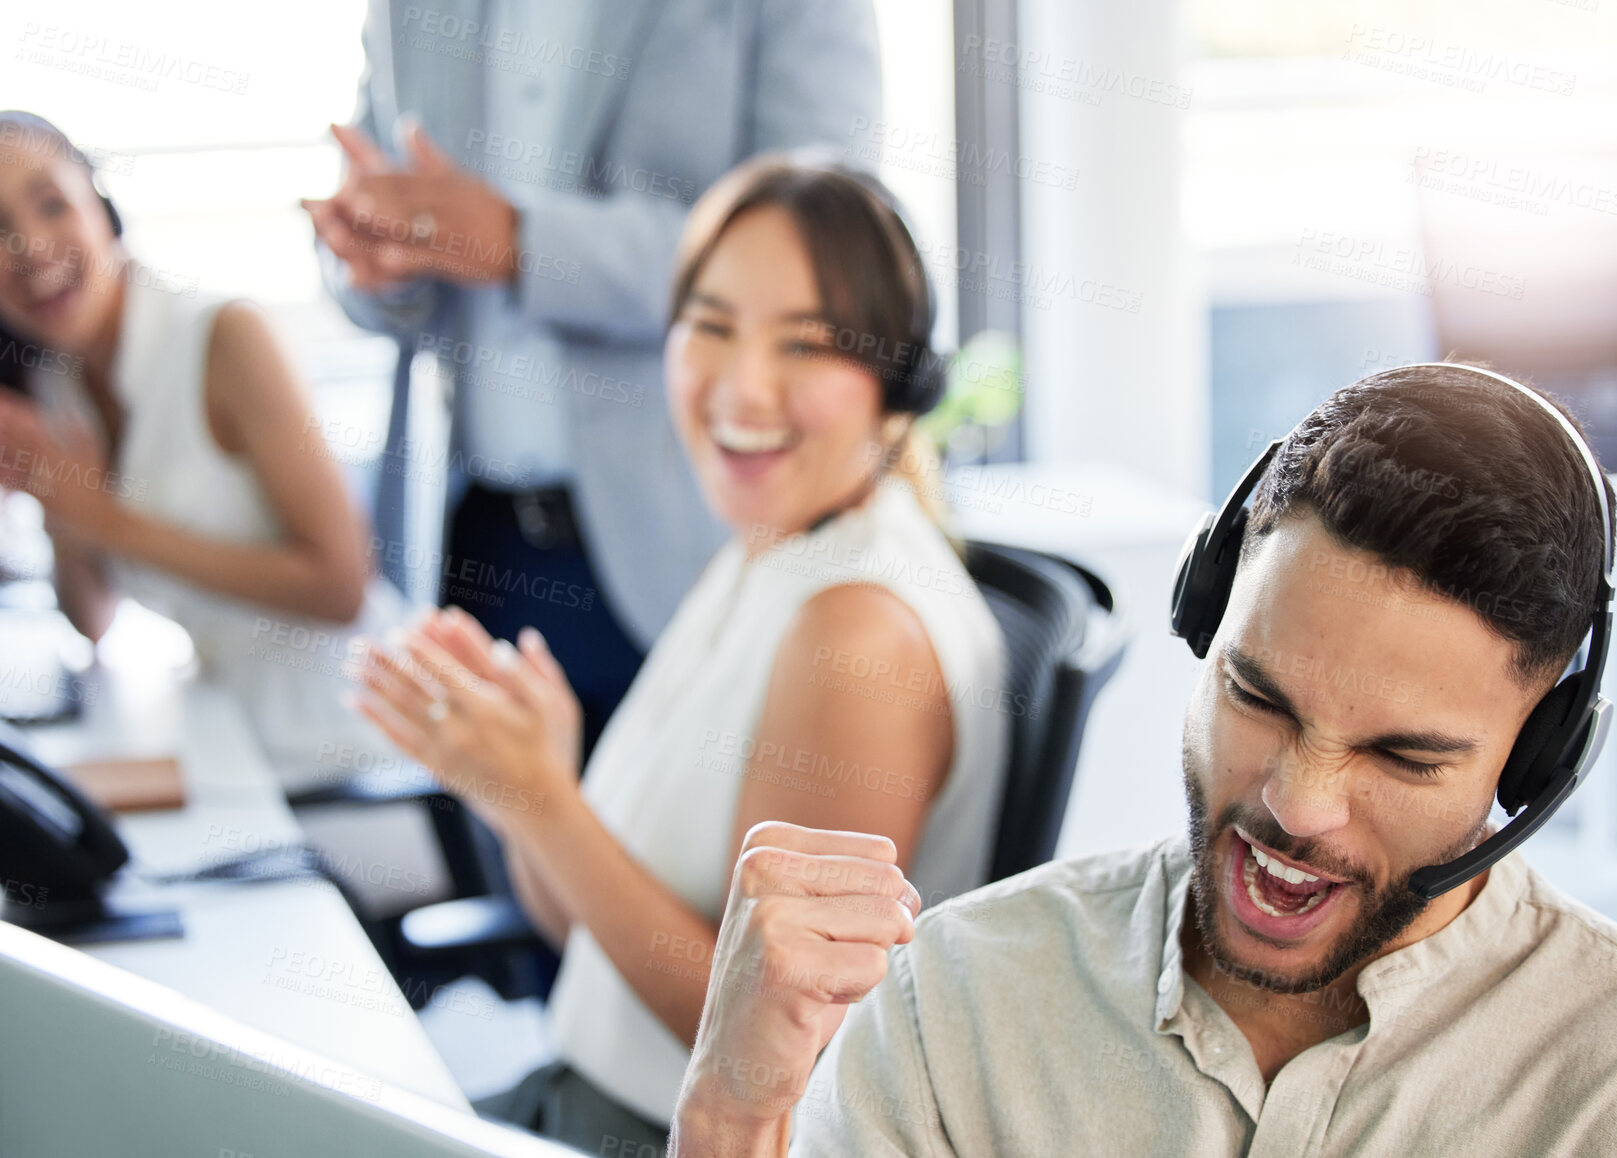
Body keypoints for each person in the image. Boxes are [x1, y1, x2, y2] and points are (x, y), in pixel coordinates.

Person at [669, 364, 1617, 1157]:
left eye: (1401, 758)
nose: (1297, 804)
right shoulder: (955, 1005)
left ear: (1537, 758)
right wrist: (734, 1105)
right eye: (1256, 697)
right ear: (1203, 621)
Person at [353, 157, 1010, 1153]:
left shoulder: (856, 630)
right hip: (580, 1100)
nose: (743, 386)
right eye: (710, 326)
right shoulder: (768, 550)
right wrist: (517, 783)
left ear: (897, 384)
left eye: (806, 343)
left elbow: (771, 1057)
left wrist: (546, 801)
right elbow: (586, 935)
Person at [306, 0, 883, 752]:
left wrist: (523, 242)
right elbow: (378, 216)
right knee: (511, 848)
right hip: (469, 539)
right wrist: (372, 258)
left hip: (682, 542)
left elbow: (822, 243)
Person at [0, 112, 403, 783]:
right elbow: (92, 623)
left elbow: (342, 588)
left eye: (51, 204)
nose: (31, 246)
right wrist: (64, 511)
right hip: (227, 744)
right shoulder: (55, 379)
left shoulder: (225, 336)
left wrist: (107, 522)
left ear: (100, 204)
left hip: (352, 749)